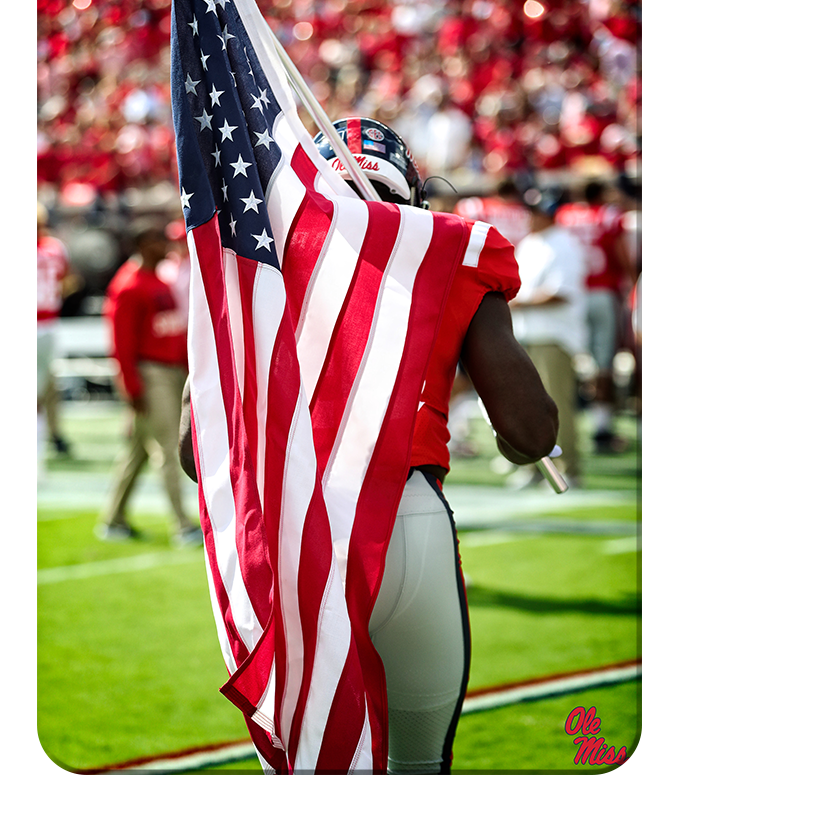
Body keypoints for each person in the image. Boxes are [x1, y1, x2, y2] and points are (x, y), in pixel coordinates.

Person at [179, 118, 558, 773]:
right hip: (408, 522)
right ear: (413, 193)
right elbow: (531, 436)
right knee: (419, 768)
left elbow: (196, 452)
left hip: (296, 528)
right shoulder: (455, 249)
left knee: (311, 768)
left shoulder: (261, 259)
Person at [96, 219, 201, 546]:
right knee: (168, 448)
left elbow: (170, 329)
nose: (164, 245)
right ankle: (183, 525)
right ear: (142, 244)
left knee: (136, 453)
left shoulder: (156, 279)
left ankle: (113, 519)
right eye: (156, 239)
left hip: (169, 372)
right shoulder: (128, 285)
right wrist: (131, 387)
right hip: (150, 374)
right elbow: (120, 344)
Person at [508, 189, 588, 488]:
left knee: (556, 404)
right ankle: (534, 466)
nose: (529, 217)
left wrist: (520, 303)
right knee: (524, 405)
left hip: (554, 336)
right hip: (526, 333)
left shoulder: (564, 244)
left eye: (535, 212)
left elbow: (561, 292)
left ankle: (568, 468)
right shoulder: (530, 243)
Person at [555, 179, 633, 452]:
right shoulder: (609, 215)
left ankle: (570, 425)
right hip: (602, 292)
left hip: (573, 295)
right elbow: (622, 254)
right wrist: (631, 282)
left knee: (573, 359)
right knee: (603, 362)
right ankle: (601, 428)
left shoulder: (565, 215)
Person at [37, 202, 77, 463]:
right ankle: (53, 434)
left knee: (45, 386)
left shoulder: (54, 248)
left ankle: (50, 434)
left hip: (45, 322)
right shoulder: (55, 248)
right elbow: (69, 281)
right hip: (49, 323)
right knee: (46, 385)